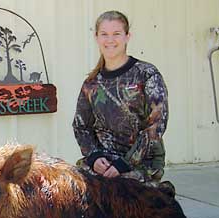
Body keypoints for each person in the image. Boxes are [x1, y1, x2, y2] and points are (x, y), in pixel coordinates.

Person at [72, 10, 168, 187]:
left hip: (141, 162)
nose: (110, 40)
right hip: (104, 162)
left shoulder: (146, 74)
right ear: (96, 38)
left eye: (116, 34)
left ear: (127, 36)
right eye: (104, 34)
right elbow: (81, 126)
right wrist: (94, 157)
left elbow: (156, 124)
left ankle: (162, 193)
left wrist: (125, 164)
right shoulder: (92, 83)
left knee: (121, 193)